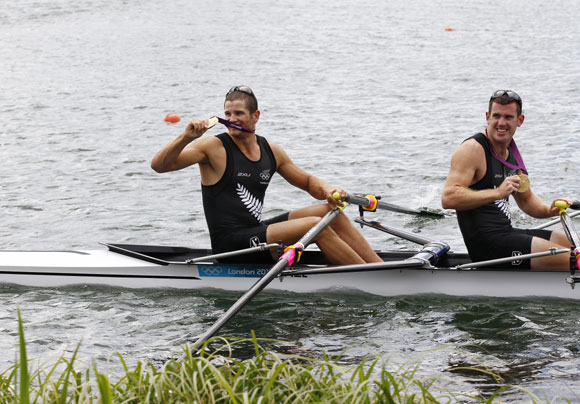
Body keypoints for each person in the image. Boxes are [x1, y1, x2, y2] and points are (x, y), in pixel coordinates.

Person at [151, 85, 382, 265]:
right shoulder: (213, 148)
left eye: (239, 113)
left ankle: (378, 267)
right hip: (230, 245)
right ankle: (375, 281)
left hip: (255, 232)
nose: (232, 120)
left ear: (256, 116)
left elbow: (309, 182)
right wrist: (186, 138)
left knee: (330, 211)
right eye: (227, 114)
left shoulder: (271, 151)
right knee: (313, 225)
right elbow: (159, 166)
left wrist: (329, 191)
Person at [441, 90, 572, 269]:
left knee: (575, 245)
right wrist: (497, 193)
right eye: (496, 116)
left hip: (506, 235)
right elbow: (448, 197)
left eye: (508, 117)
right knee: (574, 259)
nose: (501, 123)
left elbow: (527, 201)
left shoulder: (512, 154)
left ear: (520, 120)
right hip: (487, 246)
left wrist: (550, 209)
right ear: (487, 117)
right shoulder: (472, 150)